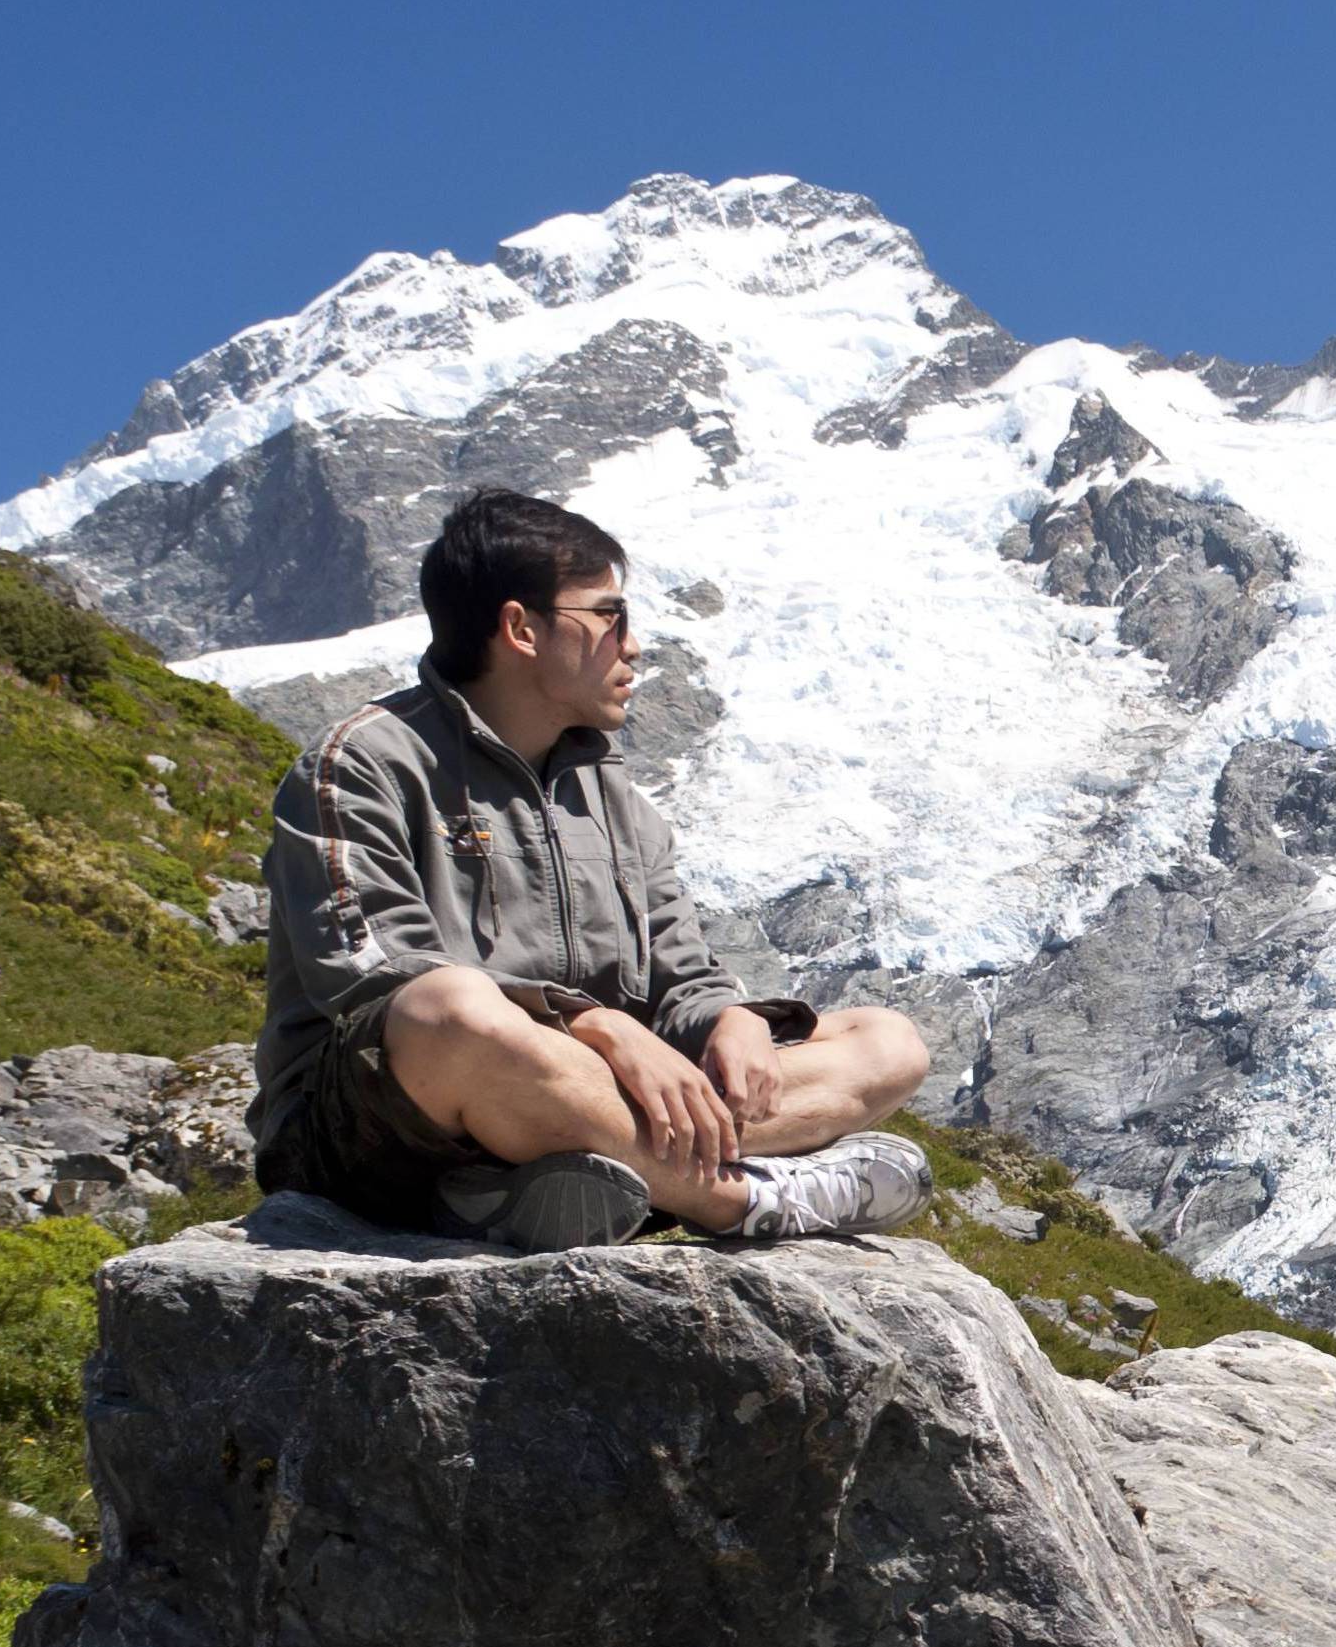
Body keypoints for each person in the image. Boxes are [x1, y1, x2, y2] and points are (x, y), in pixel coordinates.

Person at [247, 489, 935, 1253]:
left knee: (885, 1040)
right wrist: (591, 1023)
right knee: (450, 1008)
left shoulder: (616, 801)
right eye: (611, 616)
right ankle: (737, 1197)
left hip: (574, 1091)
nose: (632, 647)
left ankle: (541, 1185)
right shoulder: (362, 764)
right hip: (378, 1132)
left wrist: (728, 1018)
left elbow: (680, 977)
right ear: (521, 629)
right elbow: (372, 974)